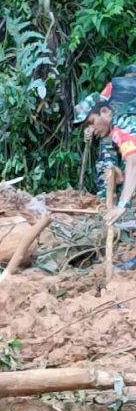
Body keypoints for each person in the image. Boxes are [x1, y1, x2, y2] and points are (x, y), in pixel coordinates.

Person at [74, 93, 136, 269]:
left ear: (105, 111)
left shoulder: (120, 126)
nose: (92, 130)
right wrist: (123, 176)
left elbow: (134, 162)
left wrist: (121, 205)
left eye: (91, 122)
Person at [85, 64, 136, 199]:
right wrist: (91, 128)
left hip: (121, 128)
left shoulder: (118, 86)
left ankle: (121, 190)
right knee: (118, 158)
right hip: (113, 127)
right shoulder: (113, 87)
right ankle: (108, 191)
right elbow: (97, 109)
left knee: (129, 159)